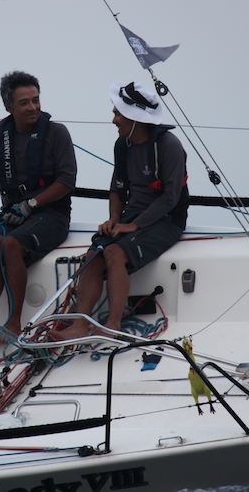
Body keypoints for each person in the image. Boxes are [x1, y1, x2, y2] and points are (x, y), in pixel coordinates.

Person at [52, 80, 188, 341]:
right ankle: (80, 325)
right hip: (131, 217)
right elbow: (117, 188)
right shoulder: (122, 145)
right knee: (93, 255)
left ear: (135, 118)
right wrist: (114, 219)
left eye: (117, 114)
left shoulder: (169, 145)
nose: (113, 120)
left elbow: (170, 198)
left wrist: (133, 225)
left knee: (114, 252)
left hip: (167, 219)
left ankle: (112, 324)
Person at [0, 71, 77, 348]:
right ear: (9, 107)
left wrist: (31, 204)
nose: (33, 107)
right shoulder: (1, 135)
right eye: (24, 103)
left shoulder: (56, 132)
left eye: (36, 100)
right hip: (14, 214)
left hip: (51, 214)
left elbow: (67, 181)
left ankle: (14, 323)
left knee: (12, 244)